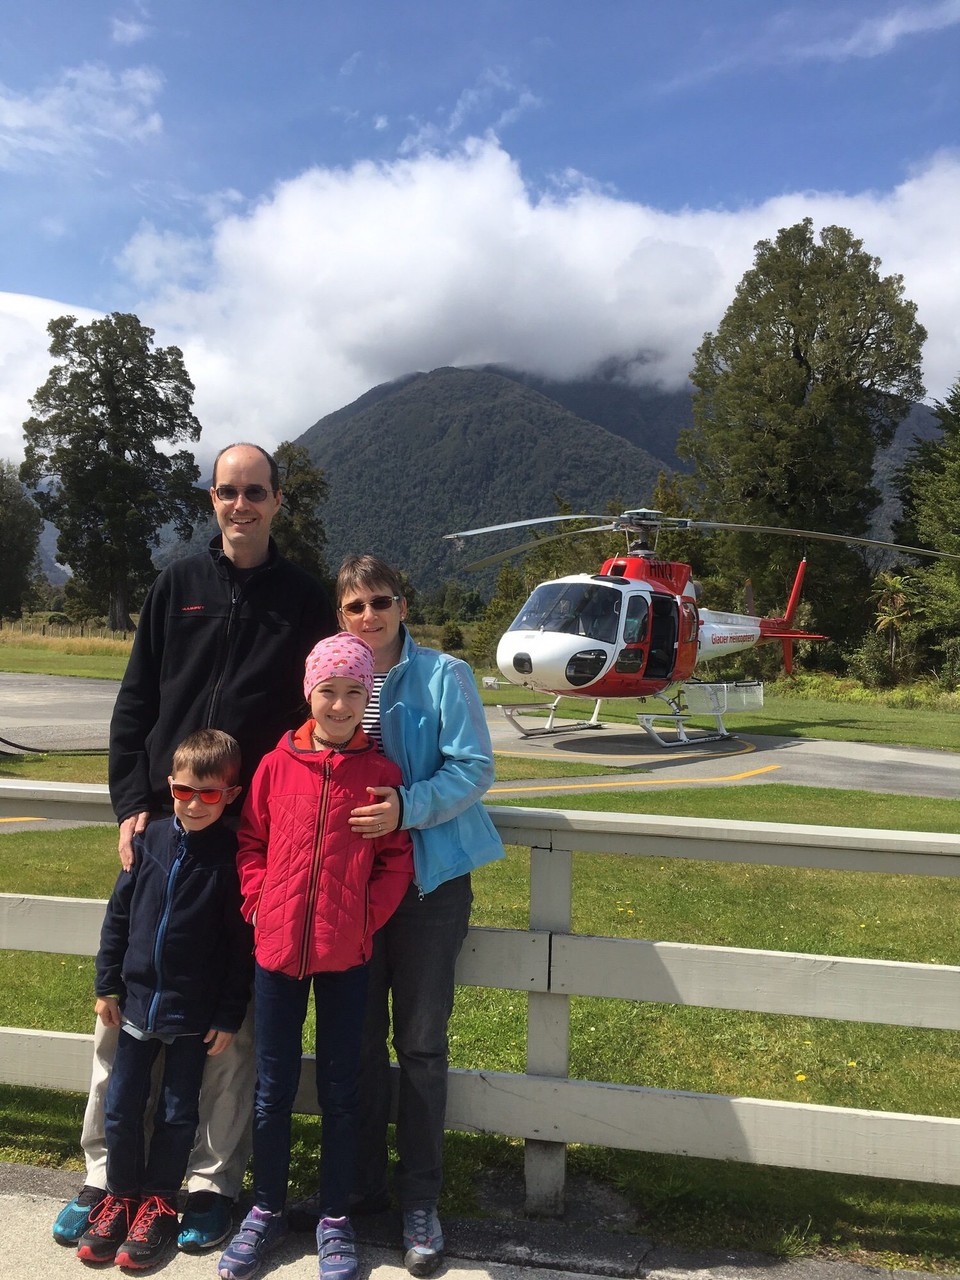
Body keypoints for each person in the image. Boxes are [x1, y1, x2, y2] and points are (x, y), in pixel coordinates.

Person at [53, 442, 337, 1253]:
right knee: (123, 1010)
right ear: (210, 500)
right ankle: (109, 1177)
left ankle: (209, 1186)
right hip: (167, 818)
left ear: (278, 500)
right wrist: (132, 804)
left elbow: (315, 711)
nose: (240, 504)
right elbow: (137, 696)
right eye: (226, 492)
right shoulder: (177, 582)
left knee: (230, 1017)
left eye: (255, 492)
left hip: (253, 833)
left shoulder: (303, 598)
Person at [291, 555, 505, 1277]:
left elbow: (474, 767)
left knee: (418, 1041)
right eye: (354, 606)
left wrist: (405, 810)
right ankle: (357, 1192)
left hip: (429, 883)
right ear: (341, 614)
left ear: (402, 605)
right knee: (353, 1043)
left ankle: (420, 1200)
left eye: (380, 602)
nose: (369, 616)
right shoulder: (331, 678)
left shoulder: (445, 675)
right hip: (350, 885)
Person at [217, 633, 413, 1280]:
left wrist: (363, 921)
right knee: (272, 1091)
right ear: (310, 693)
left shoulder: (379, 776)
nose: (339, 704)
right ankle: (267, 1209)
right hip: (274, 951)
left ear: (366, 697)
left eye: (353, 692)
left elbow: (393, 860)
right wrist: (256, 903)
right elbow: (250, 843)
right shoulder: (276, 767)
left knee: (340, 1090)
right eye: (328, 691)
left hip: (345, 954)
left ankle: (334, 1217)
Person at [76, 730, 253, 1270]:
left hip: (192, 1018)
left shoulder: (230, 858)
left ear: (232, 793)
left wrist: (226, 1015)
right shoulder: (149, 841)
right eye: (183, 791)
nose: (195, 804)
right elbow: (119, 918)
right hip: (134, 1009)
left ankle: (159, 1203)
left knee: (178, 1113)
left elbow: (238, 949)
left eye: (210, 794)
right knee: (124, 1106)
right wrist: (108, 983)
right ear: (169, 787)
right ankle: (121, 1198)